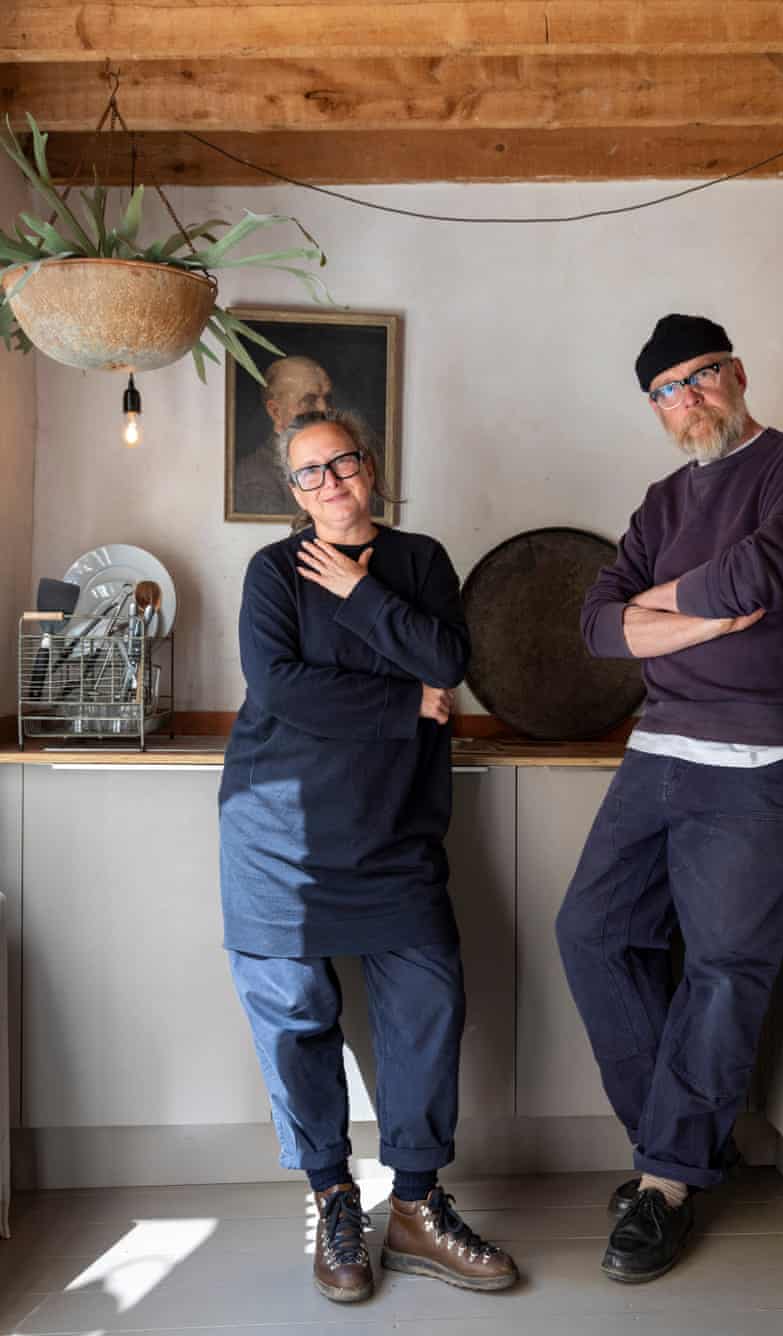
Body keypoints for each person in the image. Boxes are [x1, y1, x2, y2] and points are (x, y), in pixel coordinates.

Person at [556, 314, 783, 1284]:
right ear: (654, 410)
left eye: (702, 374)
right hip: (658, 749)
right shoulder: (656, 502)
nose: (688, 398)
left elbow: (764, 573)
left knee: (722, 965)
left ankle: (666, 1183)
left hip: (760, 757)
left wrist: (653, 612)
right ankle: (668, 1154)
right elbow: (597, 627)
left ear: (736, 370)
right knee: (591, 931)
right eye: (667, 390)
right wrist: (702, 614)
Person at [219, 408, 518, 1303]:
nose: (331, 483)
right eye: (309, 474)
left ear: (371, 466)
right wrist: (403, 706)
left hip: (394, 830)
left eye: (342, 463)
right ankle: (334, 1199)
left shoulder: (420, 562)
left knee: (429, 1003)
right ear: (293, 491)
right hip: (277, 834)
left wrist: (359, 593)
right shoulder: (272, 571)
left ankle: (419, 1207)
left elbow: (448, 658)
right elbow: (280, 687)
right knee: (298, 1016)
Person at [234, 356, 334, 515]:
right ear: (276, 411)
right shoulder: (255, 476)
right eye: (309, 400)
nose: (324, 409)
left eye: (328, 398)